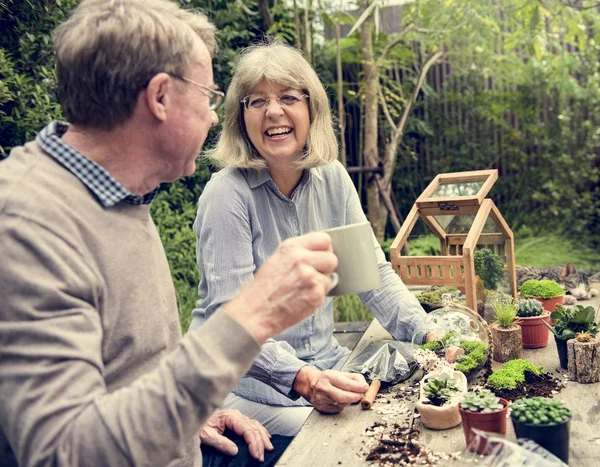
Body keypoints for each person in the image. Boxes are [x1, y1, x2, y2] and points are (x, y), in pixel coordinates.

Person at [0, 2, 339, 466]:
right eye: (208, 96)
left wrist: (197, 413)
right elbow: (64, 452)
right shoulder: (26, 223)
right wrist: (251, 315)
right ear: (160, 97)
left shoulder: (120, 196)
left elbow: (126, 367)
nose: (215, 117)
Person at [190, 41, 432, 437]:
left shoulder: (332, 176)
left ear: (311, 108)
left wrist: (429, 333)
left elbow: (371, 277)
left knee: (405, 413)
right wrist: (303, 378)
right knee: (346, 440)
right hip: (246, 387)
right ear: (241, 117)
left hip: (324, 363)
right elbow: (228, 326)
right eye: (256, 101)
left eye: (288, 97)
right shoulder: (226, 195)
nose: (273, 111)